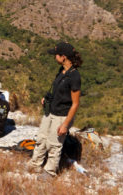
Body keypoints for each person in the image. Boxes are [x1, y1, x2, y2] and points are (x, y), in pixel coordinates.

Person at [29, 42, 82, 177]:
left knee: (54, 145)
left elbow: (75, 104)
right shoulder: (61, 71)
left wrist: (65, 124)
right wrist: (47, 98)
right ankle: (35, 164)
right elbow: (58, 91)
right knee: (41, 138)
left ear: (63, 57)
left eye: (56, 55)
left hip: (62, 116)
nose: (54, 58)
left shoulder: (75, 77)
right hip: (51, 111)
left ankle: (49, 171)